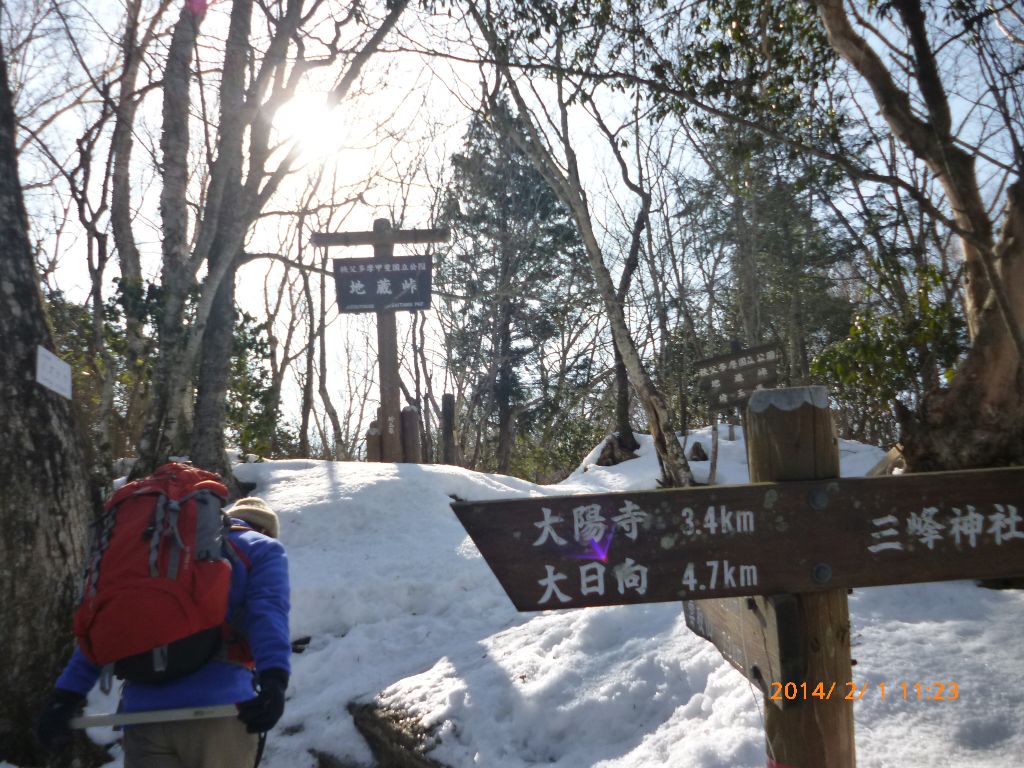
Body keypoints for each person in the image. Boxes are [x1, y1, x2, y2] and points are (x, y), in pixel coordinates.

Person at [37, 496, 291, 768]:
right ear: (265, 529)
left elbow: (109, 627)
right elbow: (267, 614)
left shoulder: (158, 555)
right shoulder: (262, 548)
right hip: (218, 709)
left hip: (143, 716)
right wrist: (275, 679)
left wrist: (65, 696)